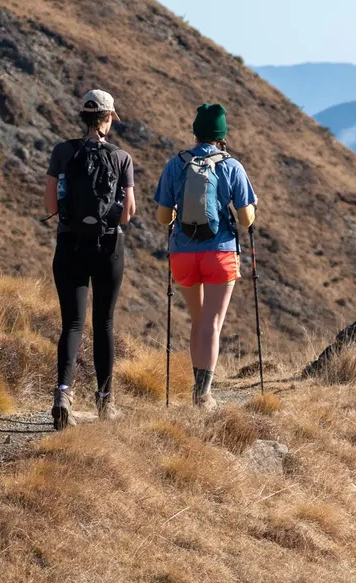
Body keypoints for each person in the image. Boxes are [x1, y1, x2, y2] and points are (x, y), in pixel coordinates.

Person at [152, 102, 258, 409]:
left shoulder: (176, 164)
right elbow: (245, 219)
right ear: (222, 134)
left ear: (196, 132)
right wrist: (248, 206)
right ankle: (203, 394)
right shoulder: (231, 166)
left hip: (183, 254)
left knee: (197, 321)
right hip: (220, 253)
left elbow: (162, 217)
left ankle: (197, 390)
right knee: (212, 324)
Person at [43, 88, 137, 428]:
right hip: (108, 247)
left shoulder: (62, 152)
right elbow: (127, 214)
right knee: (105, 324)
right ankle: (104, 401)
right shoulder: (121, 157)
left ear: (83, 116)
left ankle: (63, 393)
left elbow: (51, 206)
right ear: (108, 118)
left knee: (72, 323)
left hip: (69, 245)